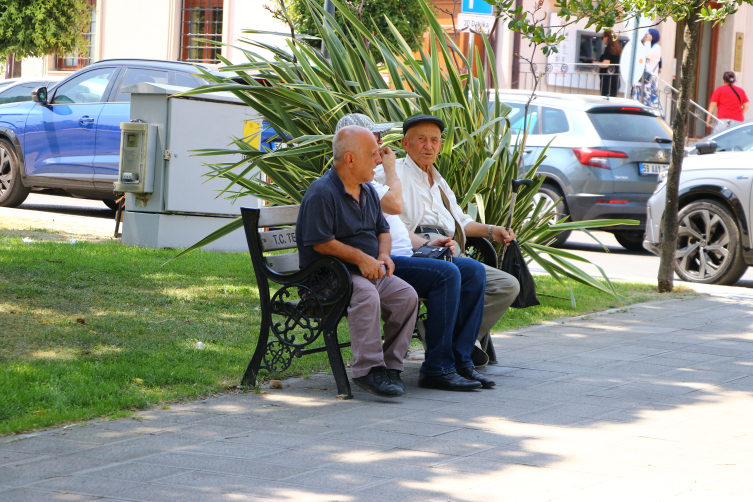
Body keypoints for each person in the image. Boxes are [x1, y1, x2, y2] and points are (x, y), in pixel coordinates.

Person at [334, 114, 493, 391]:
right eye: (375, 140)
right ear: (353, 150)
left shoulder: (369, 179)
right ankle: (437, 368)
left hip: (404, 255)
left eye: (380, 139)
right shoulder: (368, 176)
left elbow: (390, 227)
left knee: (473, 271)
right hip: (384, 263)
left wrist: (425, 244)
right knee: (447, 274)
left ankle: (460, 361)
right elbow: (395, 206)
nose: (381, 146)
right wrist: (390, 167)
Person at [374, 115, 520, 368]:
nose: (429, 146)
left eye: (434, 140)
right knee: (459, 274)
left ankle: (444, 337)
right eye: (421, 140)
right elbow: (380, 217)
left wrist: (491, 230)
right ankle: (453, 351)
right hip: (415, 251)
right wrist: (422, 243)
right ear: (405, 143)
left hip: (448, 249)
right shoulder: (389, 171)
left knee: (506, 285)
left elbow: (460, 221)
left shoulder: (438, 180)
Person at [296, 125, 419, 398]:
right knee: (365, 295)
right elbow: (321, 242)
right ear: (350, 159)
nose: (379, 159)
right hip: (328, 278)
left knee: (406, 296)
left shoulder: (367, 191)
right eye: (373, 154)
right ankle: (368, 370)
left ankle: (390, 367)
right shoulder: (322, 192)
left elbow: (383, 230)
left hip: (365, 272)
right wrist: (362, 258)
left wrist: (383, 255)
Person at [632, 28, 663, 115]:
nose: (645, 36)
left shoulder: (656, 47)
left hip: (649, 83)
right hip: (638, 82)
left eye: (648, 34)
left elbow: (646, 54)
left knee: (648, 108)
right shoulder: (644, 46)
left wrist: (648, 42)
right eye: (645, 35)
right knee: (636, 107)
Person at [599, 30, 622, 97]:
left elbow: (605, 64)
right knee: (613, 99)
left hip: (607, 79)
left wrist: (597, 63)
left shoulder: (608, 49)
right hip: (615, 78)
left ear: (606, 37)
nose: (602, 39)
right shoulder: (618, 49)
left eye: (603, 37)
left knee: (606, 100)